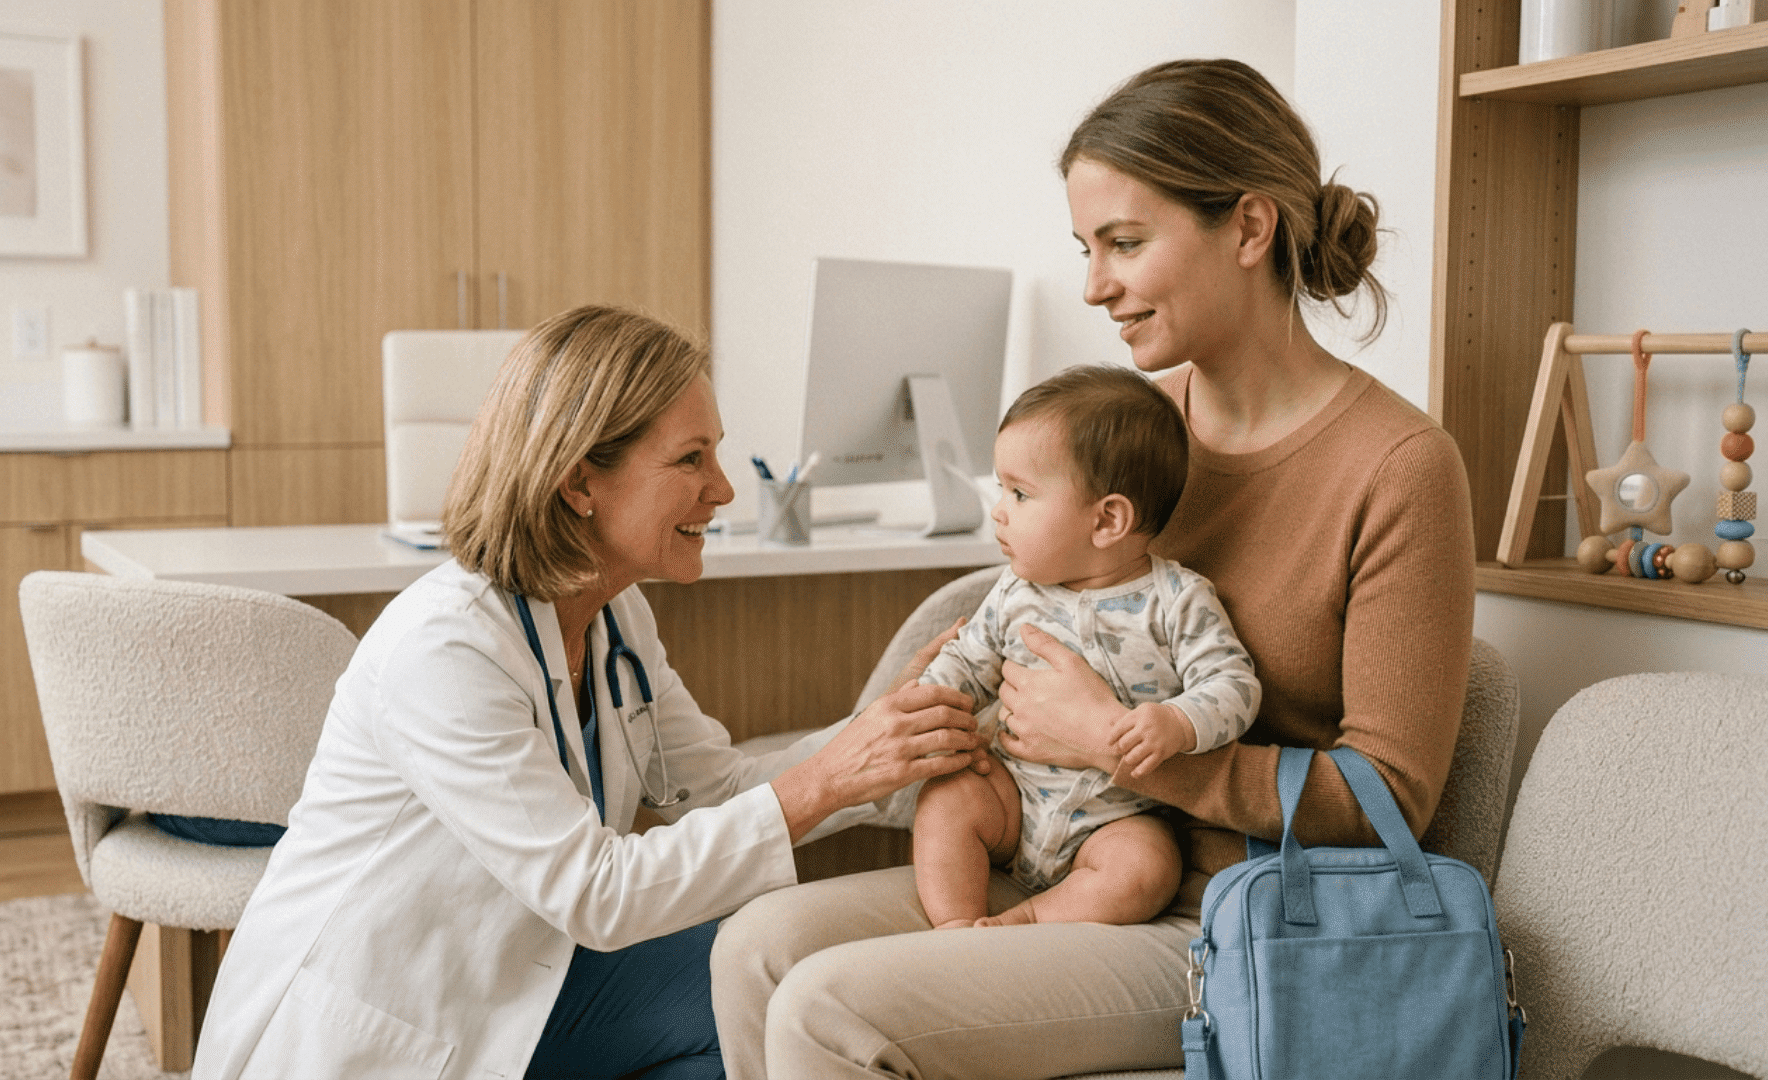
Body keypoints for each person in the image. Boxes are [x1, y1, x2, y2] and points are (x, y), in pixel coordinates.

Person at [711, 57, 1476, 1079]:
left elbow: (1391, 797)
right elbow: (1031, 621)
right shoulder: (1131, 440)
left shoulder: (1398, 468)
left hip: (1225, 914)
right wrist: (941, 712)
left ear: (1248, 230)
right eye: (1086, 247)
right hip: (1044, 846)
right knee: (757, 950)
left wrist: (1127, 749)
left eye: (1124, 242)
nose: (1092, 285)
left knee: (830, 1009)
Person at [190, 305, 989, 1080]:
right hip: (392, 1015)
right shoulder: (445, 648)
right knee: (754, 1002)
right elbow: (596, 893)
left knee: (767, 1004)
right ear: (580, 482)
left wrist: (886, 737)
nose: (723, 490)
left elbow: (712, 786)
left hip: (526, 972)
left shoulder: (615, 612)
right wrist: (831, 776)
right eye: (690, 460)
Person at [912, 366, 1259, 930]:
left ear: (1108, 520)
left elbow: (1235, 686)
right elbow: (968, 662)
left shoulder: (1177, 601)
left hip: (1116, 818)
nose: (999, 510)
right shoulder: (1014, 592)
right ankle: (955, 924)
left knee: (1147, 867)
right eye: (1002, 489)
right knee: (947, 799)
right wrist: (926, 702)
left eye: (1020, 493)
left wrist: (1176, 721)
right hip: (1012, 798)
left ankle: (1026, 923)